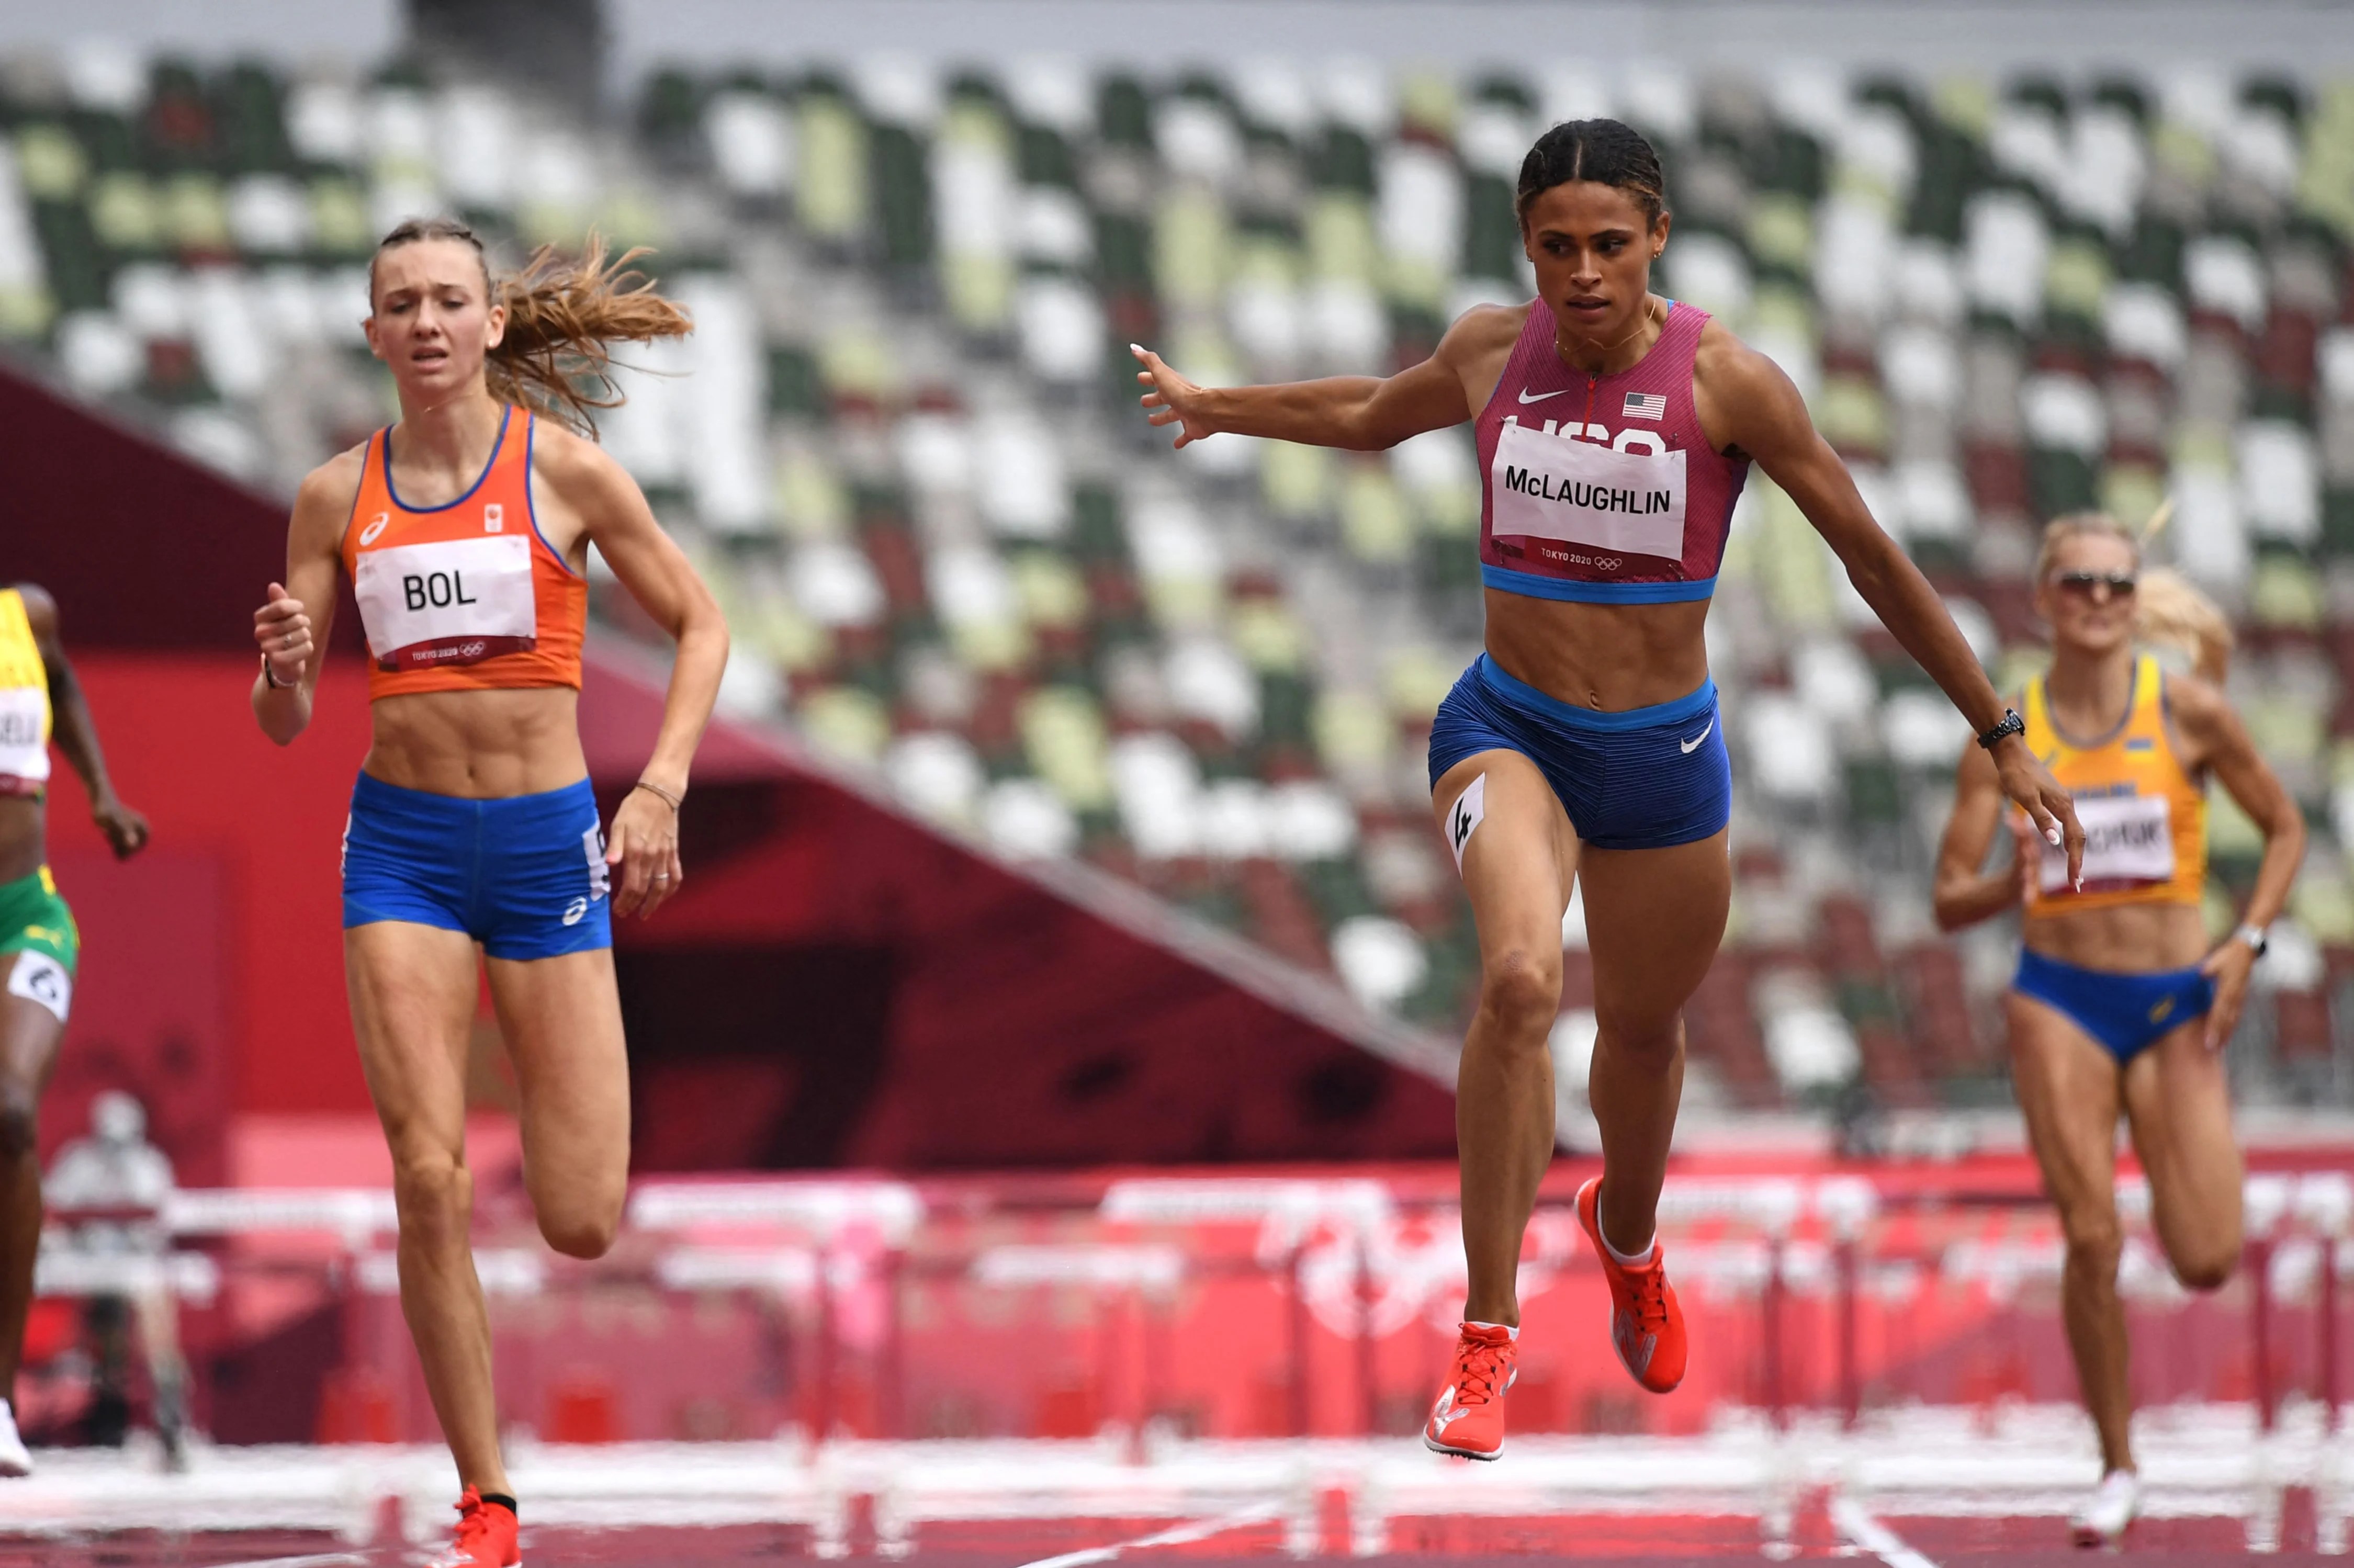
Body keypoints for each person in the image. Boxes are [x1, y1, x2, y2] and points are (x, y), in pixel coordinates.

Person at [1131, 118, 2083, 1462]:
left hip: (1660, 758)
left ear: (1658, 242)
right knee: (1519, 981)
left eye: (1610, 246)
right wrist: (1218, 404)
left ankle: (1626, 1235)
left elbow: (1871, 557)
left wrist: (2000, 729)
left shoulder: (1732, 387)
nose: (1583, 273)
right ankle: (1486, 1337)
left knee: (1640, 1031)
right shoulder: (1485, 351)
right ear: (1527, 245)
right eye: (1556, 246)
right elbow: (1363, 412)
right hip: (1506, 723)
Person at [250, 219, 728, 1567]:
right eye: (399, 304)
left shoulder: (566, 474)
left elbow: (703, 623)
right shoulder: (333, 497)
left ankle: (493, 1475)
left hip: (542, 851)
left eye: (449, 300)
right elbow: (283, 722)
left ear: (491, 323)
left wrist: (663, 785)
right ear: (372, 335)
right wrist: (286, 665)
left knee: (581, 1215)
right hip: (400, 848)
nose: (426, 323)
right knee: (427, 1173)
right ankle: (487, 1498)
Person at [1933, 513, 2300, 1546]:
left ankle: (2123, 1447)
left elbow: (2286, 827)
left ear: (2136, 604)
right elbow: (1946, 897)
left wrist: (2250, 941)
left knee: (2207, 1255)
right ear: (2044, 599)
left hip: (2176, 998)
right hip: (2060, 997)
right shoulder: (2007, 737)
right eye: (2078, 584)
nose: (2098, 601)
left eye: (2116, 586)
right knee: (2091, 1235)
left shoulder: (2188, 709)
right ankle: (2117, 1462)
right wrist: (2015, 875)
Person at [0, 581, 148, 1477]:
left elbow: (62, 686)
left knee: (12, 1114)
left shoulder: (29, 616)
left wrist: (101, 790)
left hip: (28, 915)